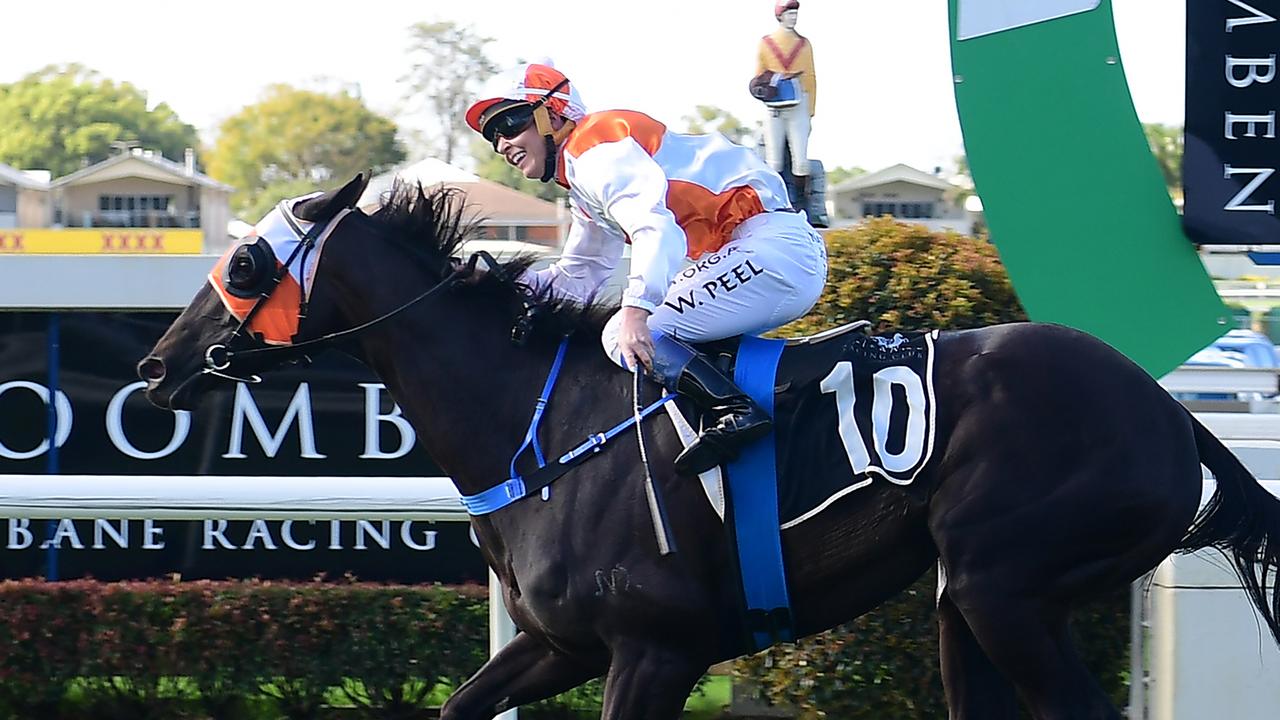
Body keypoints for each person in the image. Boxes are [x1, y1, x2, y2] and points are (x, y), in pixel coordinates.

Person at [464, 63, 828, 476]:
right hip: (764, 254)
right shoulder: (584, 186)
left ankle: (736, 411)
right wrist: (500, 284)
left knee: (626, 333)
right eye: (492, 135)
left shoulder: (596, 146)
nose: (501, 144)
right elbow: (577, 277)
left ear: (554, 113)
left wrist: (637, 310)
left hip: (770, 250)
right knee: (629, 330)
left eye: (510, 124)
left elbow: (655, 227)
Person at [755, 0, 817, 211]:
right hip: (774, 105)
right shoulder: (766, 43)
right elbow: (759, 74)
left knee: (801, 160)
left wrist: (811, 111)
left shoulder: (804, 44)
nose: (793, 17)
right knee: (773, 159)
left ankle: (801, 204)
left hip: (799, 101)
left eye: (795, 13)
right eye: (789, 13)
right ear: (780, 16)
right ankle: (775, 203)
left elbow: (810, 77)